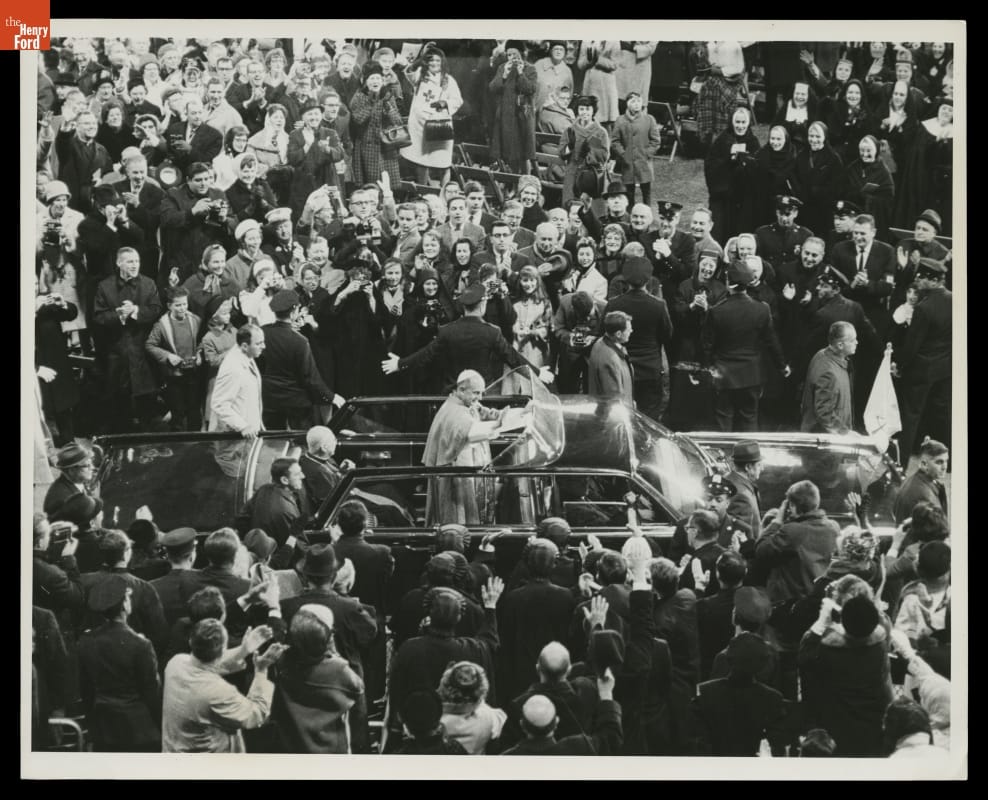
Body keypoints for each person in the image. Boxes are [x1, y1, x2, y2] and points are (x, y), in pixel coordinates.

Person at [383, 283, 549, 390]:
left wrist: (400, 364)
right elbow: (513, 359)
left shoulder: (447, 331)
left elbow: (426, 355)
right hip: (481, 395)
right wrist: (538, 373)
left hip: (454, 396)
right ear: (483, 304)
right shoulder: (492, 332)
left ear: (463, 306)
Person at [162, 618, 287, 752]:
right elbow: (256, 714)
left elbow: (207, 665)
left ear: (191, 641)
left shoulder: (175, 663)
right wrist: (261, 670)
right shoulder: (218, 692)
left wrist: (244, 649)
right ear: (223, 649)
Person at [798, 590, 894, 757]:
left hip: (836, 725)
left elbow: (804, 657)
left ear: (843, 619)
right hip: (872, 725)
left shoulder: (826, 651)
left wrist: (822, 622)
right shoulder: (879, 647)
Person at [702, 260, 789, 432]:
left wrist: (706, 369)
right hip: (751, 374)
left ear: (728, 283)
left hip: (724, 375)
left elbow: (707, 346)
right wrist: (782, 366)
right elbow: (772, 342)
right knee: (749, 418)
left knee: (724, 418)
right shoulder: (762, 309)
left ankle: (724, 456)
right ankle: (751, 456)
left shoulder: (716, 311)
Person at [77, 577, 162, 752]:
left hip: (103, 726)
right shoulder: (141, 644)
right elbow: (151, 692)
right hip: (139, 729)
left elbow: (86, 689)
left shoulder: (86, 641)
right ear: (125, 605)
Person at [419, 369, 510, 526]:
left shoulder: (466, 401)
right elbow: (472, 432)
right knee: (457, 515)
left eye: (481, 393)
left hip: (468, 468)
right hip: (456, 473)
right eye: (476, 393)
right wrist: (497, 425)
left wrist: (506, 414)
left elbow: (483, 411)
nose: (479, 397)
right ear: (461, 390)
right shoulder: (454, 411)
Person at [271, 604, 365, 754]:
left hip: (290, 748)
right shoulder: (340, 670)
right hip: (330, 751)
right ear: (328, 638)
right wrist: (335, 654)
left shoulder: (281, 661)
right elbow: (358, 690)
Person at [92, 246, 163, 431]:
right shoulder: (104, 286)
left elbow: (156, 310)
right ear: (119, 263)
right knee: (119, 401)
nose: (134, 265)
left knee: (147, 400)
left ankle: (148, 439)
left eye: (137, 261)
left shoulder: (149, 284)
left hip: (143, 350)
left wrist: (135, 311)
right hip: (116, 352)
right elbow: (98, 317)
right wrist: (119, 315)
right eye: (130, 261)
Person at [331, 499, 395, 702]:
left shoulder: (330, 552)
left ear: (339, 525)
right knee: (370, 679)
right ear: (365, 525)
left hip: (337, 621)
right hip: (371, 620)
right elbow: (386, 589)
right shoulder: (381, 553)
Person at [691, 632, 788, 756]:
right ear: (763, 664)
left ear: (728, 658)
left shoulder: (705, 692)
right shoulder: (773, 699)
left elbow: (697, 742)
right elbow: (777, 746)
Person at [894, 259, 951, 461]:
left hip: (921, 371)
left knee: (910, 417)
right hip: (945, 370)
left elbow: (912, 345)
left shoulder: (924, 307)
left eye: (921, 277)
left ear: (934, 280)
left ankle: (900, 461)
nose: (917, 281)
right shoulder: (955, 299)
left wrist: (899, 364)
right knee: (942, 416)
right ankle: (945, 460)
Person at [604, 257, 673, 421]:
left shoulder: (613, 304)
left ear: (624, 279)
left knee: (622, 419)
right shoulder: (658, 305)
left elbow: (604, 335)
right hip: (650, 371)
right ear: (648, 279)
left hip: (621, 370)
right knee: (649, 420)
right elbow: (668, 335)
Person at [256, 289, 334, 430]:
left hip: (269, 400)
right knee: (301, 444)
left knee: (273, 444)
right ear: (294, 311)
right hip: (296, 404)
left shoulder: (261, 333)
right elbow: (311, 378)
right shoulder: (299, 341)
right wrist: (331, 397)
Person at [755, 480, 841, 606]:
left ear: (793, 506)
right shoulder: (833, 527)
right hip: (818, 599)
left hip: (791, 604)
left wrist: (777, 521)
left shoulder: (793, 531)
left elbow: (761, 550)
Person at [159, 161, 232, 285]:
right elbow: (167, 219)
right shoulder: (174, 194)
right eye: (198, 180)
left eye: (207, 179)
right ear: (188, 180)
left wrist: (223, 219)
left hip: (209, 259)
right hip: (181, 257)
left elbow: (232, 223)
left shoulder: (218, 194)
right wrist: (192, 211)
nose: (204, 183)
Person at [830, 213, 897, 340]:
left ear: (873, 232)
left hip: (874, 313)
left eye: (863, 234)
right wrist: (852, 284)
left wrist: (867, 283)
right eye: (855, 233)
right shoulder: (840, 249)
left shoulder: (887, 251)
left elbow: (887, 287)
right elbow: (833, 285)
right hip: (846, 311)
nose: (858, 237)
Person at [145, 287, 203, 431]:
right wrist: (168, 356)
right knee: (178, 413)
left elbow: (202, 341)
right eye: (178, 305)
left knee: (194, 411)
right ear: (169, 306)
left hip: (193, 374)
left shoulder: (195, 320)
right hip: (174, 376)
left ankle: (196, 444)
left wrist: (200, 353)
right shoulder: (161, 325)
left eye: (185, 304)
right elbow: (150, 345)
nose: (182, 308)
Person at [704, 106, 761, 245]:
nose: (740, 126)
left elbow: (757, 169)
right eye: (737, 122)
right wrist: (728, 160)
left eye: (743, 122)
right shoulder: (723, 140)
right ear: (732, 122)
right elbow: (711, 165)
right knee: (719, 230)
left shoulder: (753, 142)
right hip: (723, 195)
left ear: (748, 124)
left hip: (742, 197)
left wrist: (745, 163)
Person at [243, 458, 306, 563]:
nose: (303, 476)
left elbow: (242, 518)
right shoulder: (285, 510)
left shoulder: (264, 489)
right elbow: (298, 548)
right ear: (284, 480)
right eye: (297, 474)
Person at [801, 321, 858, 434]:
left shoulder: (822, 354)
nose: (857, 342)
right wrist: (845, 433)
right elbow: (824, 413)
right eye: (852, 340)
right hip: (826, 441)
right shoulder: (828, 373)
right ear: (840, 345)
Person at [209, 323, 265, 438]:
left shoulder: (247, 355)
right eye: (259, 343)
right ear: (244, 346)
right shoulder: (233, 368)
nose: (263, 346)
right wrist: (243, 426)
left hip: (247, 432)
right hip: (232, 437)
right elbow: (219, 404)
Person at [489, 42, 538, 174]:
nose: (511, 58)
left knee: (524, 154)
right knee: (509, 153)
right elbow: (493, 88)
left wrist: (521, 73)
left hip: (522, 116)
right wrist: (504, 74)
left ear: (521, 54)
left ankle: (525, 181)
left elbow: (530, 89)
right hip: (506, 116)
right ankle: (512, 183)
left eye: (514, 54)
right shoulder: (502, 67)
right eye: (509, 54)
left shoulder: (530, 68)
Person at [795, 122, 845, 239]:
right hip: (804, 206)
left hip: (823, 209)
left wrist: (818, 191)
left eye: (818, 137)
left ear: (825, 137)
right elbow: (795, 176)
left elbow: (838, 185)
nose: (814, 140)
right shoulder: (802, 155)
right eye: (811, 136)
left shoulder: (833, 158)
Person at [610, 92, 661, 207]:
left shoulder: (649, 119)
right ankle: (630, 214)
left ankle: (646, 213)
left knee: (646, 191)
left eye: (638, 101)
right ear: (627, 104)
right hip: (628, 163)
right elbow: (615, 141)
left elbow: (656, 141)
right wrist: (623, 154)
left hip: (644, 162)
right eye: (633, 101)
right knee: (629, 192)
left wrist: (647, 153)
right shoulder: (620, 120)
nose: (636, 104)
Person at [843, 134, 895, 241]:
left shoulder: (883, 172)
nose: (865, 154)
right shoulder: (852, 168)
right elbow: (842, 189)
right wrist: (855, 194)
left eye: (869, 151)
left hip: (874, 218)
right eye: (862, 150)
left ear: (876, 150)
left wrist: (868, 199)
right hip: (853, 216)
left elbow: (888, 198)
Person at [560, 95, 610, 203]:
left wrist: (589, 152)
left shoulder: (600, 132)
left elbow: (604, 155)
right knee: (570, 202)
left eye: (588, 109)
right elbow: (561, 152)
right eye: (581, 109)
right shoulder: (570, 130)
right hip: (572, 172)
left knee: (587, 206)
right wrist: (570, 147)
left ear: (593, 111)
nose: (584, 112)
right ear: (577, 110)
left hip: (591, 173)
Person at [754, 195, 814, 278]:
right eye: (781, 213)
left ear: (795, 213)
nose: (784, 218)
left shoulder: (805, 235)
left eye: (787, 214)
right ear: (776, 212)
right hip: (769, 280)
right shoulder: (762, 233)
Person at [893, 439, 949, 524]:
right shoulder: (925, 496)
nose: (944, 467)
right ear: (924, 464)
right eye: (939, 462)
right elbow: (936, 532)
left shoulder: (914, 480)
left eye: (946, 461)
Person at [587, 310, 635, 408]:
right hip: (613, 418)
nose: (631, 331)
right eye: (628, 329)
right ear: (618, 334)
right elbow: (613, 398)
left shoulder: (600, 343)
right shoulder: (610, 359)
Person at [754, 126, 800, 228]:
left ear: (786, 139)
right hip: (765, 201)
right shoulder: (761, 154)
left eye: (779, 139)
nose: (775, 142)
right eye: (772, 138)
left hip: (785, 201)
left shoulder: (792, 155)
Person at [578, 40, 621, 128]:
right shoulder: (586, 40)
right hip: (590, 85)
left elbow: (615, 64)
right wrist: (589, 60)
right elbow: (580, 65)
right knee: (589, 118)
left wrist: (598, 59)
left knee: (606, 122)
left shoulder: (614, 41)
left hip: (606, 87)